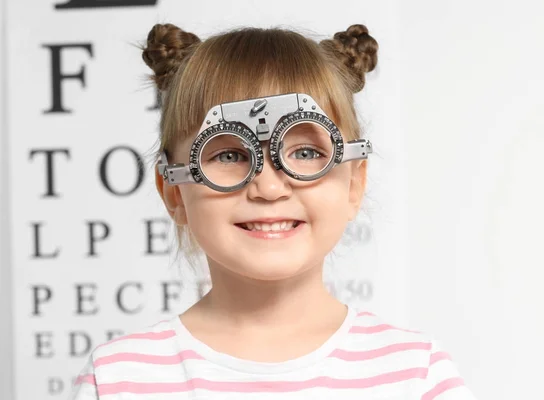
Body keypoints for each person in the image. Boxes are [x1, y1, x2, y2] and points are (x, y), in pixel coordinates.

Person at [70, 23, 477, 399]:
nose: (267, 186)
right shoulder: (117, 380)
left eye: (305, 152)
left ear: (353, 183)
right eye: (229, 153)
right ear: (175, 192)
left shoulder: (414, 374)